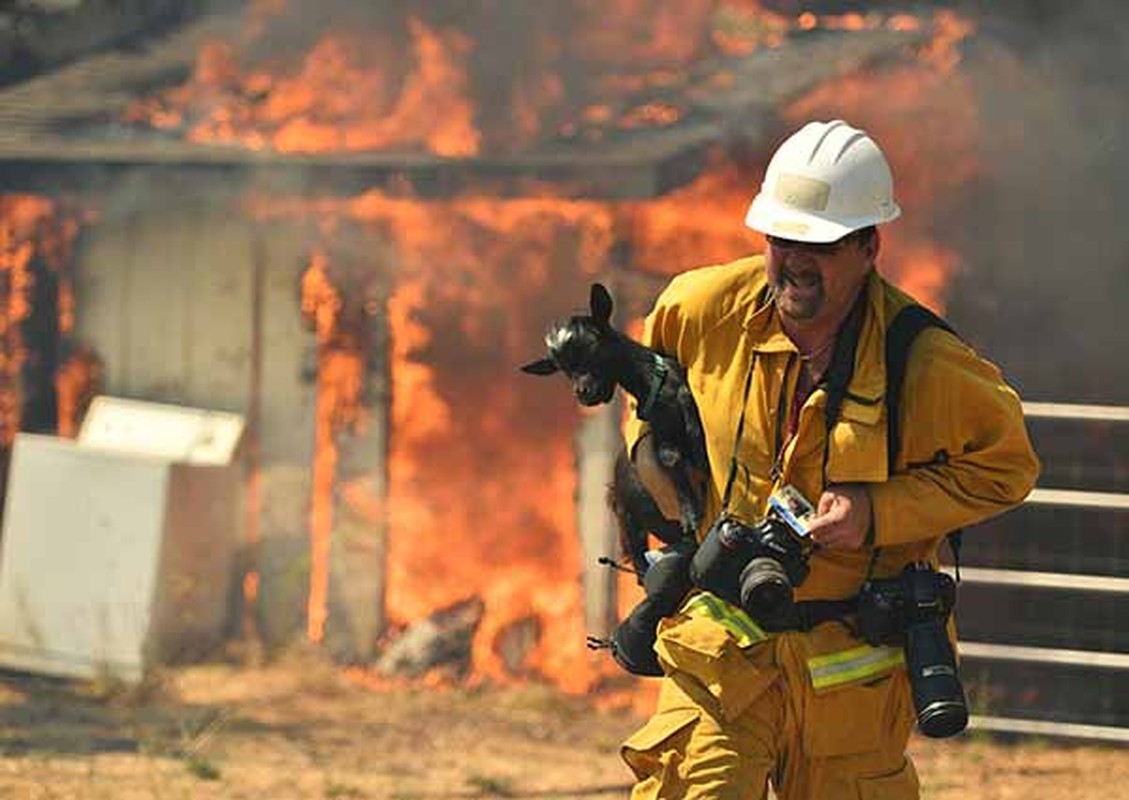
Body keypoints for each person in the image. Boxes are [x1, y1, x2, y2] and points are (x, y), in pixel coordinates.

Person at [618, 119, 1040, 800]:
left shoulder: (926, 363)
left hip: (851, 676)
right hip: (723, 652)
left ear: (869, 247)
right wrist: (664, 490)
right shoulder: (699, 311)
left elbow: (1009, 467)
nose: (794, 261)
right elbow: (648, 398)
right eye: (780, 240)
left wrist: (877, 511)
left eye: (818, 244)